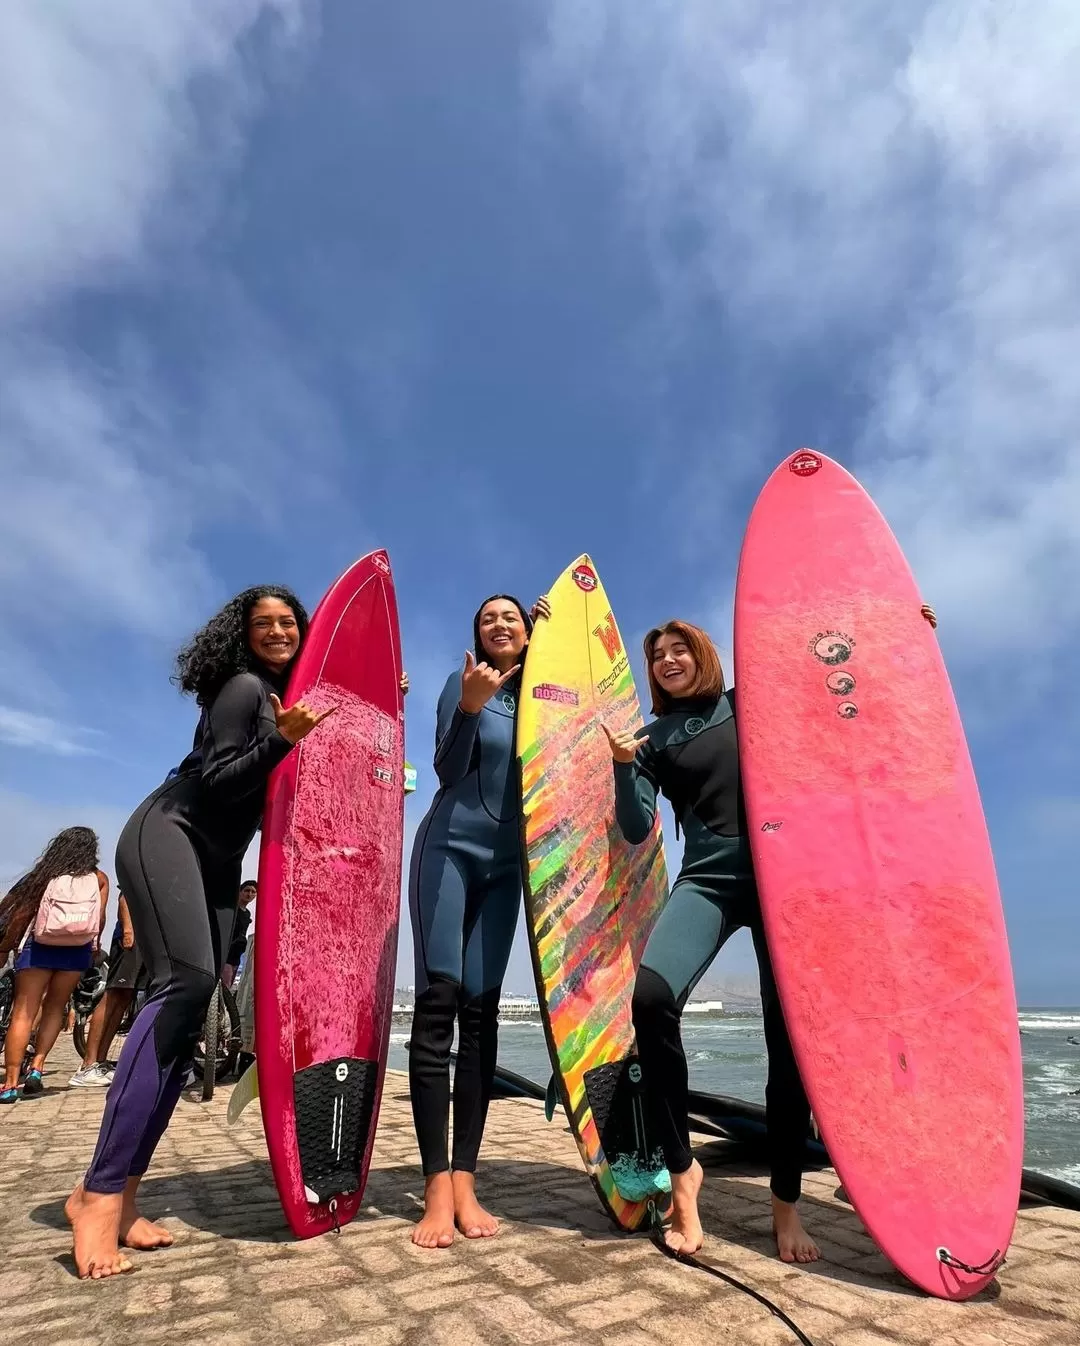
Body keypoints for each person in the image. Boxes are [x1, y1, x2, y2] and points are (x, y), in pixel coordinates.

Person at [605, 606, 938, 1263]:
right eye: (659, 655)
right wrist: (622, 765)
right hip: (708, 881)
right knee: (650, 999)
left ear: (703, 653)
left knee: (788, 1041)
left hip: (788, 882)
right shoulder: (651, 739)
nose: (669, 659)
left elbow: (839, 684)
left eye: (681, 647)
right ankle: (684, 1175)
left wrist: (902, 632)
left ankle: (785, 1205)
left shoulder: (750, 700)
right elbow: (637, 826)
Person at [64, 585, 346, 1280]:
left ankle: (122, 1197)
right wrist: (282, 739)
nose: (278, 632)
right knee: (183, 983)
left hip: (220, 862)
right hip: (172, 832)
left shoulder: (286, 703)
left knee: (187, 1018)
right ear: (243, 635)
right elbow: (219, 781)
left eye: (289, 623)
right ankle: (98, 1197)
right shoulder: (244, 688)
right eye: (264, 623)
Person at [408, 592, 549, 1249]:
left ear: (526, 634)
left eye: (511, 618)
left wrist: (564, 628)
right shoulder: (462, 684)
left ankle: (467, 1177)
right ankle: (436, 1183)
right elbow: (443, 767)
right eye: (488, 617)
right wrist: (467, 707)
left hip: (505, 871)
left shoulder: (545, 701)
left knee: (483, 1016)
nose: (499, 624)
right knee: (440, 1006)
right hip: (449, 854)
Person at [0, 828, 109, 1104]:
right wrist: (92, 948)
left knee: (23, 1013)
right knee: (55, 1008)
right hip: (75, 951)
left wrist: (6, 945)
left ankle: (11, 1083)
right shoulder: (98, 879)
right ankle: (37, 1066)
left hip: (40, 948)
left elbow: (20, 913)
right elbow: (99, 920)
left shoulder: (45, 874)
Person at [70, 894, 143, 1088]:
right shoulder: (145, 863)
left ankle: (99, 1062)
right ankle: (88, 1065)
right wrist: (128, 931)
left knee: (124, 997)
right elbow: (126, 894)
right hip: (133, 936)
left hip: (146, 937)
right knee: (114, 995)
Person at [222, 880, 256, 989]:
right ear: (240, 891)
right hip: (226, 954)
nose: (249, 894)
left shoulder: (247, 914)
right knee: (224, 987)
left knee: (228, 986)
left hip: (236, 955)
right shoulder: (232, 909)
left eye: (253, 892)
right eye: (247, 890)